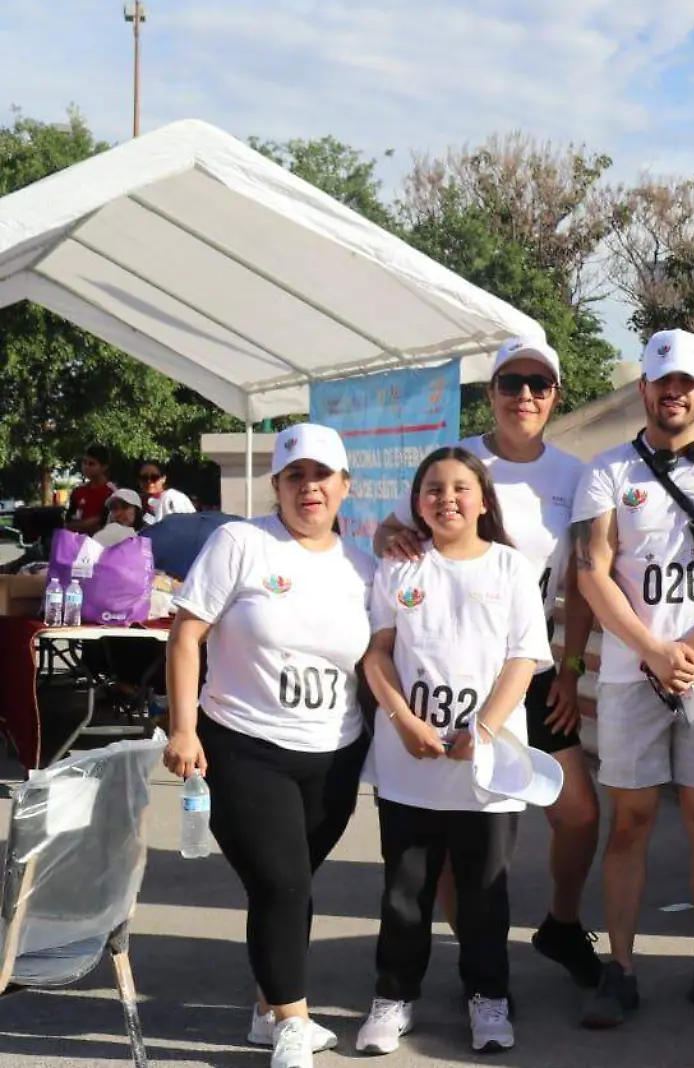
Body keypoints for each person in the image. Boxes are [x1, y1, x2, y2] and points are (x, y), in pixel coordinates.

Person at [374, 337, 602, 991]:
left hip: (527, 671)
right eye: (511, 383)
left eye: (539, 383)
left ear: (556, 394)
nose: (524, 396)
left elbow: (582, 578)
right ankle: (472, 952)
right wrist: (390, 536)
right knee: (450, 825)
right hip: (447, 674)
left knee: (576, 811)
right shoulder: (459, 465)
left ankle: (561, 923)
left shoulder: (572, 474)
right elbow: (391, 533)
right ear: (492, 392)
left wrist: (571, 666)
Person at [572, 328, 694, 1027]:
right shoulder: (607, 471)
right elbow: (592, 571)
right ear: (645, 389)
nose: (675, 392)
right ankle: (620, 970)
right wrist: (653, 649)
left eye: (687, 382)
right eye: (663, 381)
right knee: (628, 821)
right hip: (634, 676)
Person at [161, 424, 375, 1068]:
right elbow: (185, 634)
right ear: (276, 485)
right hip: (245, 745)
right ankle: (292, 1023)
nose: (308, 489)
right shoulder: (241, 542)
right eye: (294, 477)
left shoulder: (363, 565)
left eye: (321, 477)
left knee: (292, 885)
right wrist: (182, 726)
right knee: (283, 883)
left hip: (335, 755)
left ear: (345, 487)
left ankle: (266, 1006)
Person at [355, 447, 553, 1056]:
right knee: (405, 890)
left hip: (487, 766)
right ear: (416, 502)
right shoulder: (398, 566)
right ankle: (394, 998)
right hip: (409, 761)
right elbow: (377, 653)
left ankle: (487, 997)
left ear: (482, 499)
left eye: (460, 488)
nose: (446, 499)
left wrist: (485, 730)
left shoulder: (511, 568)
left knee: (485, 892)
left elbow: (524, 657)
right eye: (432, 489)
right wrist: (405, 720)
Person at [67, 443, 115, 535]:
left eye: (91, 464)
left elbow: (105, 526)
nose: (86, 467)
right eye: (84, 462)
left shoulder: (112, 493)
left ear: (104, 467)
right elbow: (68, 524)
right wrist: (91, 521)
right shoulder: (77, 491)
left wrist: (82, 525)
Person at [139, 459, 197, 523]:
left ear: (163, 478)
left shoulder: (175, 498)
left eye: (154, 477)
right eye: (144, 478)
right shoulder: (134, 502)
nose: (149, 481)